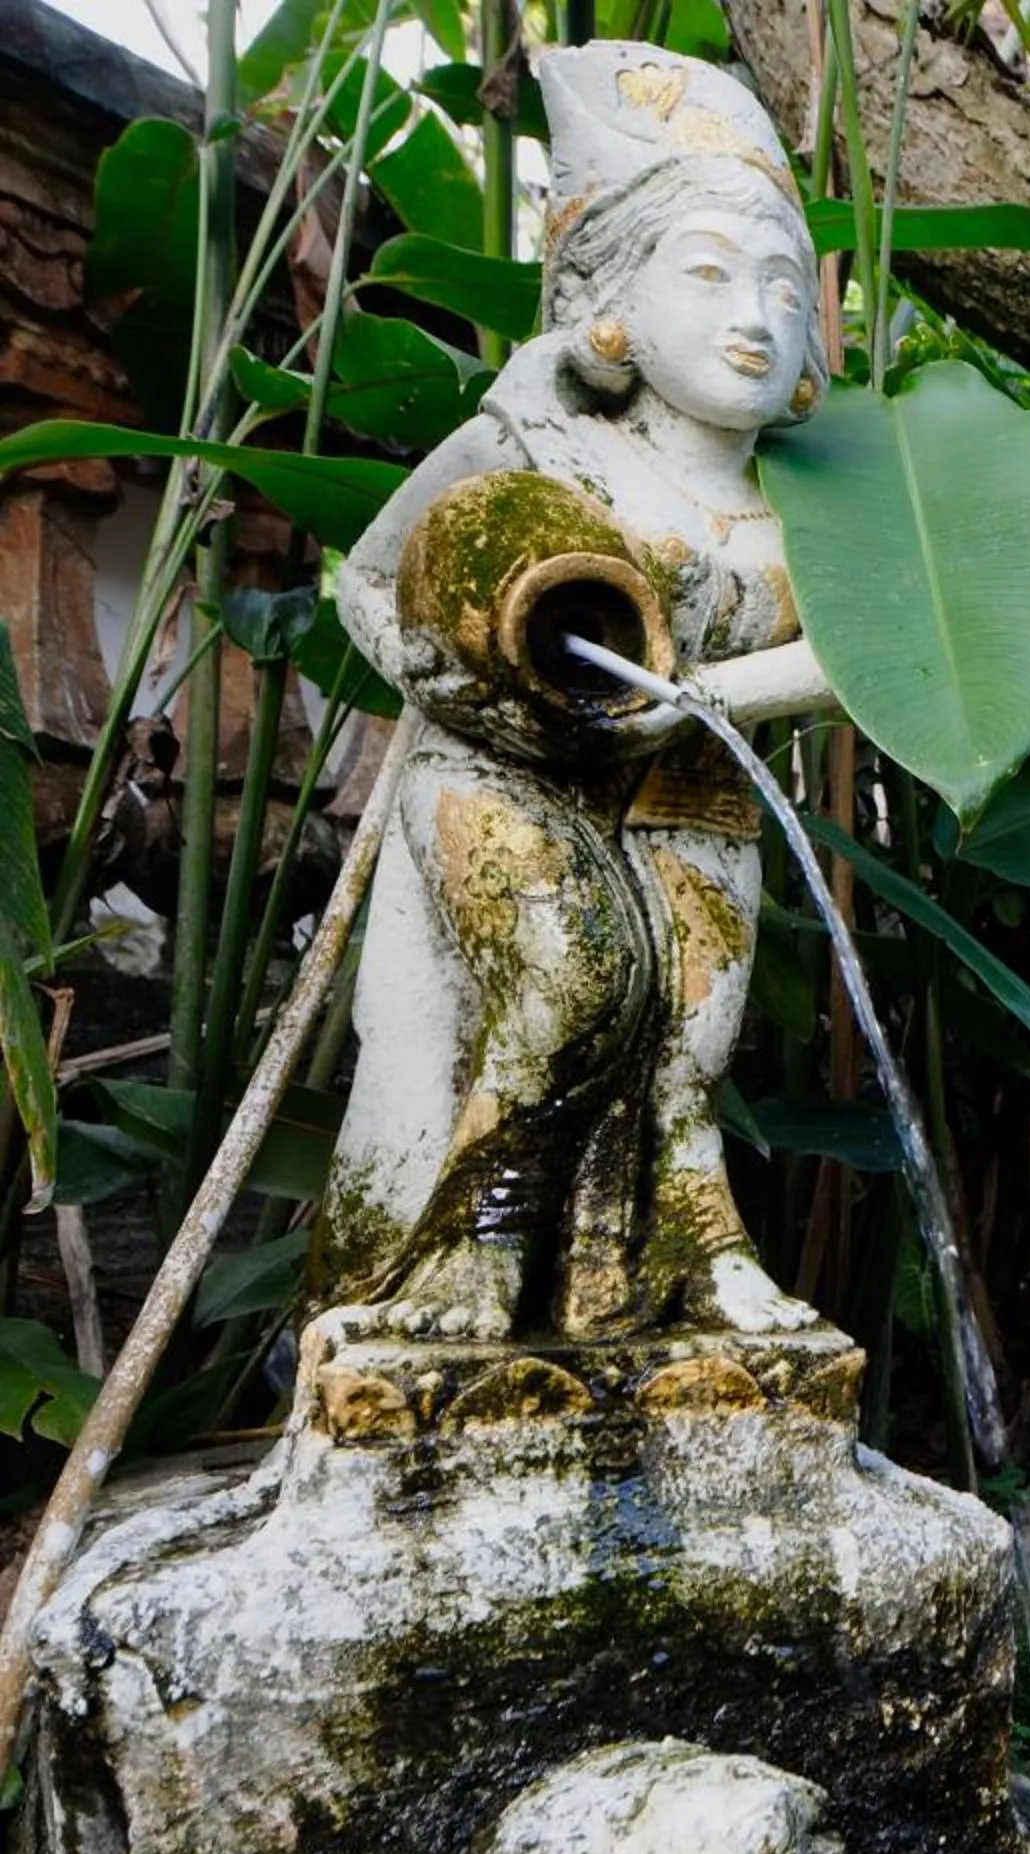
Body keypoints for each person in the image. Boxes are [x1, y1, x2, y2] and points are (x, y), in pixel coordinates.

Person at [323, 44, 838, 1343]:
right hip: (505, 773)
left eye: (788, 288)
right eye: (711, 273)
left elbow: (850, 657)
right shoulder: (538, 440)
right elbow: (367, 581)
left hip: (696, 790)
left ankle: (682, 1263)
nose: (758, 316)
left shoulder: (821, 508)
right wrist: (447, 673)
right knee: (563, 984)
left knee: (690, 1048)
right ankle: (467, 1256)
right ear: (611, 305)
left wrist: (709, 692)